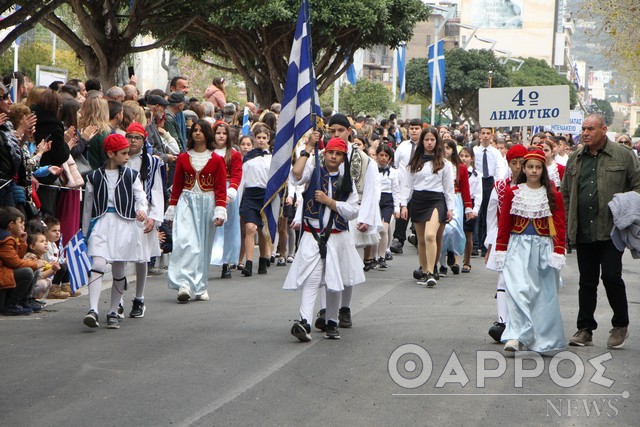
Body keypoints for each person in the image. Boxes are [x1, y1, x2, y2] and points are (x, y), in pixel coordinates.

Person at [561, 114, 640, 349]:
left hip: (612, 230)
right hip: (584, 229)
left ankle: (620, 325)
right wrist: (568, 223)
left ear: (603, 130)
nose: (585, 133)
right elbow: (566, 193)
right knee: (587, 281)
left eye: (590, 129)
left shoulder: (624, 155)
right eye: (583, 129)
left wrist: (626, 209)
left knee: (612, 277)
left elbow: (637, 186)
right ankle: (585, 329)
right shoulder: (575, 158)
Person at [285, 137, 363, 341]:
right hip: (313, 234)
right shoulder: (314, 172)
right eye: (330, 152)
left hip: (337, 237)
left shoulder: (347, 181)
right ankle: (304, 321)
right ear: (325, 153)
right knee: (311, 280)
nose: (333, 157)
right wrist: (308, 148)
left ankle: (332, 321)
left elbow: (353, 210)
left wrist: (330, 202)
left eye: (338, 154)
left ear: (343, 157)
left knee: (333, 281)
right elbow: (296, 173)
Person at [493, 149, 566, 353]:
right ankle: (516, 336)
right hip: (517, 246)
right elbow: (505, 224)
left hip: (543, 248)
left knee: (543, 295)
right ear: (523, 168)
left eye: (538, 167)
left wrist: (559, 249)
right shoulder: (512, 192)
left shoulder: (553, 195)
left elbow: (560, 224)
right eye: (530, 167)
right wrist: (500, 248)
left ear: (543, 170)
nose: (534, 171)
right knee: (516, 291)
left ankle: (543, 340)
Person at [81, 134, 148, 329]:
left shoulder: (132, 175)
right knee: (98, 263)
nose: (128, 156)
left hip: (124, 225)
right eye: (124, 153)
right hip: (101, 223)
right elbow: (88, 206)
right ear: (111, 154)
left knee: (119, 266)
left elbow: (140, 197)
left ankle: (113, 310)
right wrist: (85, 233)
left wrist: (142, 210)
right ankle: (92, 309)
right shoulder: (94, 176)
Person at [165, 120, 227, 302]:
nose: (197, 133)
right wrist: (173, 207)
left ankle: (200, 285)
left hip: (207, 204)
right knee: (186, 243)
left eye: (201, 131)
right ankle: (184, 284)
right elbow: (177, 185)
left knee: (203, 247)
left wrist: (220, 210)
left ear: (207, 134)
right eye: (194, 130)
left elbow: (220, 187)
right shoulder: (184, 158)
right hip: (187, 202)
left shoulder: (216, 159)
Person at [398, 127, 455, 287]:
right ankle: (424, 270)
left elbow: (448, 188)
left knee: (431, 235)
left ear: (437, 142)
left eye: (432, 140)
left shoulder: (445, 164)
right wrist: (403, 205)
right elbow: (407, 185)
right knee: (421, 240)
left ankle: (431, 272)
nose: (429, 143)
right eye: (426, 140)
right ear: (422, 142)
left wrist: (450, 208)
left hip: (437, 200)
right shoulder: (414, 163)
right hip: (418, 199)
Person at [484, 144, 528, 342]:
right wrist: (490, 244)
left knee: (525, 282)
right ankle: (502, 322)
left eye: (521, 162)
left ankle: (523, 322)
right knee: (502, 280)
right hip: (505, 239)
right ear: (508, 164)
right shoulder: (500, 187)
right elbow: (492, 218)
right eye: (514, 162)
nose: (518, 166)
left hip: (528, 239)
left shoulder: (537, 186)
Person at [124, 123, 165, 317]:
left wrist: (154, 218)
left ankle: (139, 298)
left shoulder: (151, 162)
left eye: (137, 137)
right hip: (121, 213)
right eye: (129, 136)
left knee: (141, 258)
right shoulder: (118, 158)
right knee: (120, 257)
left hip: (143, 213)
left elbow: (156, 190)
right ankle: (119, 300)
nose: (132, 141)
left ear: (144, 140)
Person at [209, 121, 242, 278]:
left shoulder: (234, 154)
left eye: (224, 133)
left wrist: (230, 192)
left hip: (228, 190)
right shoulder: (208, 152)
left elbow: (236, 175)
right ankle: (207, 258)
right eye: (218, 133)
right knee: (210, 224)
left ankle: (226, 262)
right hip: (210, 189)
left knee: (229, 227)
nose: (221, 136)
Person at [239, 124, 272, 276]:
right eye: (258, 138)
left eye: (264, 138)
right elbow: (242, 179)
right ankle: (249, 263)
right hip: (250, 195)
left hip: (265, 195)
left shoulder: (272, 158)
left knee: (263, 229)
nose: (261, 141)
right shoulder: (248, 157)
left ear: (268, 139)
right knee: (250, 228)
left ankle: (264, 258)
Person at [0, 207, 45, 315]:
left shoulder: (11, 237)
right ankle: (12, 304)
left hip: (5, 270)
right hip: (2, 273)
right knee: (27, 272)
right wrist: (35, 264)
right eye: (20, 222)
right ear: (11, 225)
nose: (22, 226)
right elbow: (15, 263)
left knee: (34, 270)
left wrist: (22, 241)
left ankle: (25, 300)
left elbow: (17, 257)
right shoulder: (5, 239)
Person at [439, 139, 472, 276]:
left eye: (448, 147)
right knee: (442, 231)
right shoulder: (438, 165)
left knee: (453, 228)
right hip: (441, 199)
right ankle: (442, 264)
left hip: (456, 199)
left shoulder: (461, 167)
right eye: (443, 147)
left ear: (453, 150)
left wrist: (468, 206)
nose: (446, 150)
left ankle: (452, 250)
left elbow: (465, 188)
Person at [391, 118, 423, 254]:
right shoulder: (403, 146)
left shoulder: (426, 146)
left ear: (422, 129)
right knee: (403, 213)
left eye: (417, 128)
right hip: (404, 185)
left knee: (419, 214)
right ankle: (398, 240)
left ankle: (418, 237)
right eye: (412, 128)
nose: (414, 131)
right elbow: (396, 164)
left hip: (420, 186)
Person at [474, 127, 507, 256]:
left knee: (488, 214)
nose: (485, 136)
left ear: (491, 136)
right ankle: (475, 244)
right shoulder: (475, 151)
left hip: (490, 182)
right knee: (477, 213)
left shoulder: (495, 152)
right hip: (478, 181)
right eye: (483, 133)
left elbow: (500, 168)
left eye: (488, 134)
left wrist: (498, 184)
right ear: (479, 136)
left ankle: (484, 245)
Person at [372, 144, 400, 268]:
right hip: (375, 200)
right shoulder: (371, 170)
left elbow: (396, 190)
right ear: (377, 156)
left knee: (383, 229)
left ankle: (382, 256)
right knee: (373, 230)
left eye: (386, 156)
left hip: (387, 201)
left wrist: (397, 208)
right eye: (381, 155)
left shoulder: (393, 173)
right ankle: (373, 257)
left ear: (390, 158)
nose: (383, 158)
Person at [459, 147, 482, 273]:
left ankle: (467, 262)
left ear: (472, 159)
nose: (464, 158)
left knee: (468, 233)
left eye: (467, 156)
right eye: (461, 155)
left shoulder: (477, 175)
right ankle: (454, 259)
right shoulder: (454, 171)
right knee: (455, 231)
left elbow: (479, 194)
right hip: (458, 201)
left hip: (471, 203)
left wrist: (475, 210)